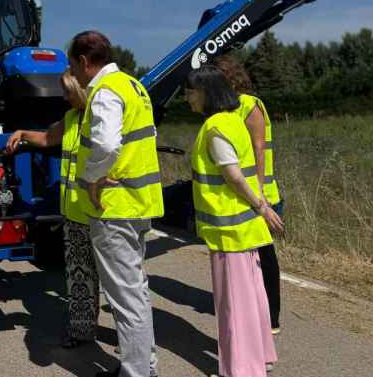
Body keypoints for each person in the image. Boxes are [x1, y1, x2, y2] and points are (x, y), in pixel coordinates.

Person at [68, 31, 163, 377]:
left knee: (125, 297)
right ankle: (143, 365)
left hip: (114, 207)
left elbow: (107, 146)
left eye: (73, 67)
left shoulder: (105, 92)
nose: (75, 77)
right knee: (136, 290)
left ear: (83, 61)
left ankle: (136, 372)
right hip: (138, 202)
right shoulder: (134, 86)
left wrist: (93, 177)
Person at [185, 66, 284, 377]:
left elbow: (234, 177)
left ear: (205, 92)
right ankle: (259, 358)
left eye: (190, 92)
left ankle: (241, 369)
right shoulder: (232, 121)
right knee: (252, 299)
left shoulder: (215, 127)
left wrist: (261, 207)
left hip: (229, 231)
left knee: (234, 306)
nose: (188, 99)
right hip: (243, 228)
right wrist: (260, 208)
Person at [6, 70, 100, 348]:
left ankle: (129, 340)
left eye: (68, 92)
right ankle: (81, 332)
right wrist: (22, 132)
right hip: (74, 211)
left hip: (102, 211)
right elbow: (47, 138)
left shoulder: (101, 117)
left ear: (80, 91)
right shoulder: (70, 119)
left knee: (115, 281)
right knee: (80, 277)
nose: (64, 97)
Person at [213, 54, 284, 334]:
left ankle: (272, 317)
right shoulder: (227, 108)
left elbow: (257, 151)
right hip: (245, 194)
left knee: (264, 256)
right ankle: (253, 310)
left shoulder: (249, 105)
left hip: (260, 193)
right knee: (248, 257)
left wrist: (259, 199)